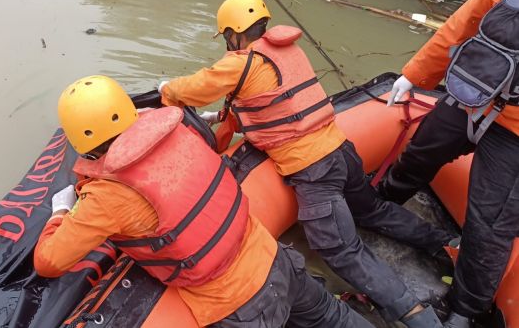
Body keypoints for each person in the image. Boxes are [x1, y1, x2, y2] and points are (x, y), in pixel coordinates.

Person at [159, 0, 450, 327]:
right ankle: (441, 242)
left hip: (314, 171)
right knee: (372, 209)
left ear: (233, 33)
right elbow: (269, 105)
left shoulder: (242, 63)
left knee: (341, 250)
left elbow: (195, 87)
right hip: (342, 150)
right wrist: (218, 121)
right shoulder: (286, 51)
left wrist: (167, 89)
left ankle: (417, 317)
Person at [34, 75, 372, 327]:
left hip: (240, 304)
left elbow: (49, 261)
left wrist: (61, 211)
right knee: (333, 316)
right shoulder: (180, 131)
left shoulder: (106, 196)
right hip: (274, 257)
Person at [379, 0, 519, 327]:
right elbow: (466, 21)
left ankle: (465, 310)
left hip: (516, 132)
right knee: (424, 147)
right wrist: (414, 74)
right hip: (476, 95)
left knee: (488, 224)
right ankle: (381, 202)